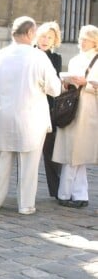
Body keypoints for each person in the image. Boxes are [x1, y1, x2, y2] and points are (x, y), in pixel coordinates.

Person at [0, 16, 61, 214]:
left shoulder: (0, 55)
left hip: (4, 114)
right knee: (29, 164)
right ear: (30, 33)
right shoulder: (38, 57)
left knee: (1, 161)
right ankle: (25, 204)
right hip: (31, 117)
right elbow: (55, 89)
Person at [52, 24, 98, 208]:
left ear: (94, 41)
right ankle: (78, 194)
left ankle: (67, 193)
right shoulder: (75, 59)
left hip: (87, 110)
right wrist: (67, 83)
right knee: (72, 151)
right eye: (80, 38)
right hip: (72, 108)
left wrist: (86, 83)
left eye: (85, 39)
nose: (81, 42)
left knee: (76, 152)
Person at [36, 21, 63, 198]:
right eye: (43, 36)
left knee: (51, 152)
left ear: (55, 41)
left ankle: (57, 190)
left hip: (49, 109)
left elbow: (54, 86)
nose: (45, 40)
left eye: (50, 38)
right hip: (30, 108)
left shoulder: (55, 58)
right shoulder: (29, 53)